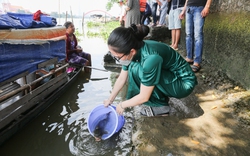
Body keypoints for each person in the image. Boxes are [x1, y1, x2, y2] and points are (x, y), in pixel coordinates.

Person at [104, 24, 197, 116]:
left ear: (131, 51)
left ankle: (160, 107)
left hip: (183, 83)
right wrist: (110, 99)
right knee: (135, 67)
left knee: (137, 69)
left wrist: (122, 105)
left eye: (117, 57)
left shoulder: (151, 58)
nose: (117, 60)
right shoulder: (133, 50)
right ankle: (155, 98)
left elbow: (144, 97)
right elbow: (121, 78)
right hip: (169, 75)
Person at [179, 0, 212, 72]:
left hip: (199, 7)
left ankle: (197, 62)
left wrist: (207, 6)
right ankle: (189, 57)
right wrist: (183, 10)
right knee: (188, 34)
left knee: (198, 35)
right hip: (189, 8)